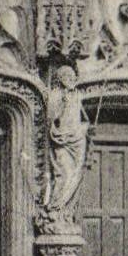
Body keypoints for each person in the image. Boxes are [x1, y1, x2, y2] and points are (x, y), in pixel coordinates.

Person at [40, 64, 90, 231]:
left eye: (72, 77)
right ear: (60, 79)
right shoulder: (55, 95)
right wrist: (62, 104)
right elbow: (51, 120)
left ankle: (65, 211)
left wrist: (86, 128)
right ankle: (54, 208)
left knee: (76, 173)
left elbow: (83, 118)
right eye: (66, 77)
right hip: (60, 139)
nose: (71, 80)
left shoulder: (77, 96)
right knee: (64, 173)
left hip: (77, 140)